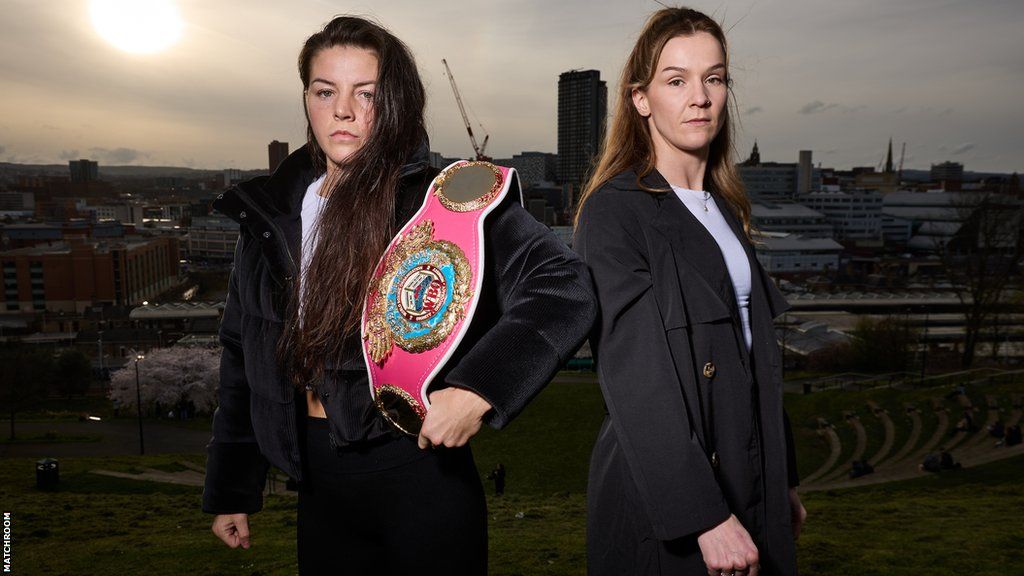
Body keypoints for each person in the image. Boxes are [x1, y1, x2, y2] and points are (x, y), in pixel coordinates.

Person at [201, 16, 596, 574]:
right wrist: (232, 486)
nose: (343, 110)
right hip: (318, 486)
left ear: (395, 102)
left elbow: (564, 288)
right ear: (307, 99)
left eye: (366, 93)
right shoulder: (270, 212)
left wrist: (478, 390)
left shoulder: (444, 203)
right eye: (325, 91)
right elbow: (243, 350)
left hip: (418, 475)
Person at [574, 7, 805, 576]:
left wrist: (783, 478)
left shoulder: (725, 209)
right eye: (676, 80)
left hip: (750, 478)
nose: (699, 97)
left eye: (715, 77)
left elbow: (754, 357)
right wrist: (701, 515)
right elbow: (635, 378)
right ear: (641, 99)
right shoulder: (614, 212)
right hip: (671, 501)